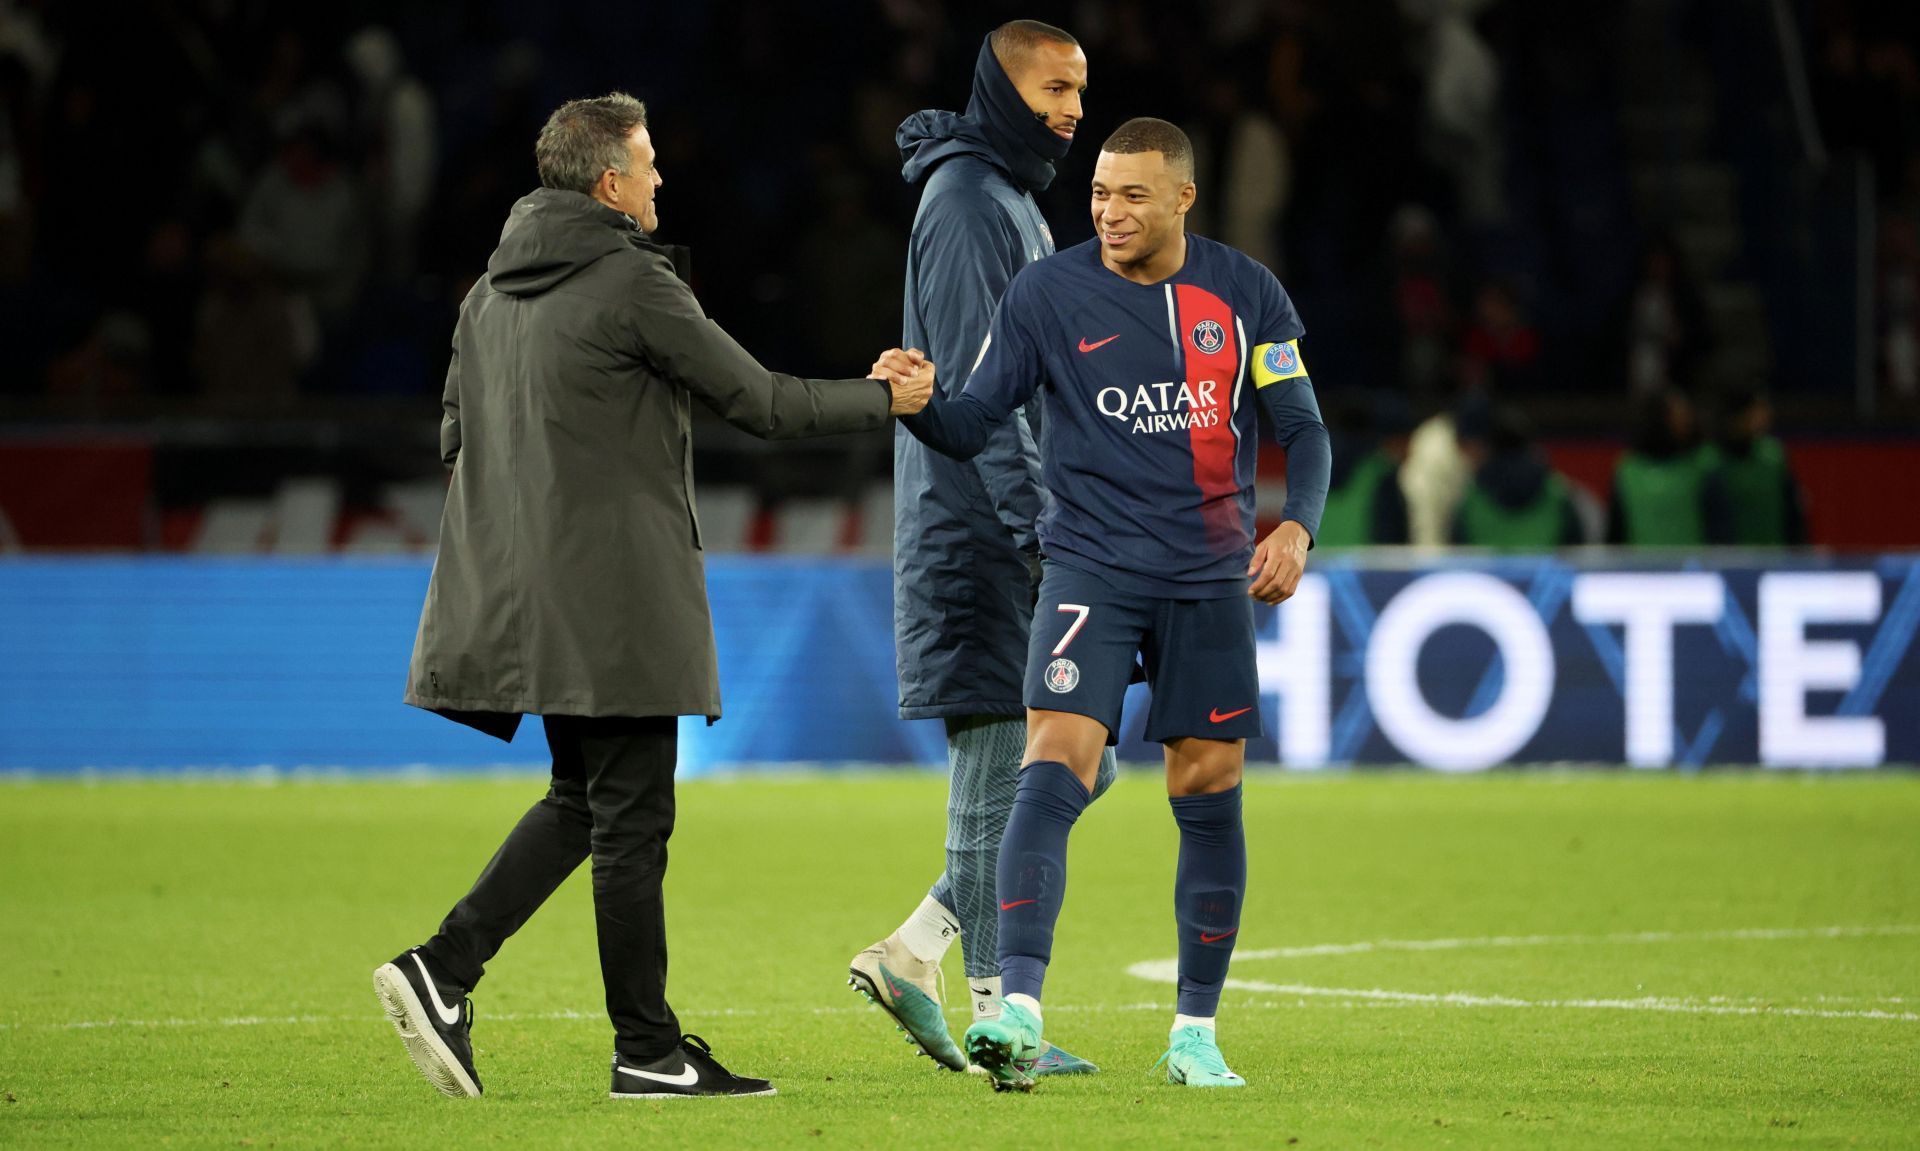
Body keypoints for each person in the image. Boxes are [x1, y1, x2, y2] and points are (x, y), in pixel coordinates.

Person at [371, 92, 933, 1102]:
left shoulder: (484, 298)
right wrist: (882, 397)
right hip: (619, 598)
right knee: (633, 819)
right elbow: (760, 401)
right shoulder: (630, 282)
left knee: (586, 799)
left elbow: (455, 443)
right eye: (651, 162)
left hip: (521, 597)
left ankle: (448, 967)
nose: (662, 179)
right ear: (609, 181)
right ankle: (644, 1047)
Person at [903, 118, 1331, 1091]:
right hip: (1089, 568)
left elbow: (1303, 430)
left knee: (1206, 787)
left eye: (1132, 194)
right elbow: (972, 421)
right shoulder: (1048, 293)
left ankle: (1194, 1034)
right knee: (1054, 761)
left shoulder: (1245, 292)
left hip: (1208, 575)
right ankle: (1017, 1005)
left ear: (1183, 196)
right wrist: (921, 400)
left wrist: (1296, 526)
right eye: (1099, 192)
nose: (1109, 210)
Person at [850, 20, 1111, 1078]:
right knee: (1011, 766)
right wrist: (1038, 526)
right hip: (983, 530)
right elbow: (974, 392)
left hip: (1019, 520)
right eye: (1054, 88)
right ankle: (1006, 1019)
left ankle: (916, 949)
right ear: (1002, 90)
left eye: (1081, 90)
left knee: (1069, 766)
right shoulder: (966, 204)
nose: (1073, 110)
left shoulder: (1003, 196)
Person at [1605, 388, 1731, 547]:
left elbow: (1720, 528)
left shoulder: (1704, 464)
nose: (1686, 420)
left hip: (1694, 569)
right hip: (1642, 569)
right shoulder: (1628, 469)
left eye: (1687, 413)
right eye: (1677, 415)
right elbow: (1615, 535)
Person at [1451, 405, 1585, 548]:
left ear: (1486, 446)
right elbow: (1577, 553)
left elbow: (1459, 555)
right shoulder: (1557, 492)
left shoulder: (1472, 499)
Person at [1704, 382, 1807, 545]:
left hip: (1775, 561)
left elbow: (1793, 514)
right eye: (1758, 409)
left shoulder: (1773, 455)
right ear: (1737, 415)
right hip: (1727, 563)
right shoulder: (1709, 462)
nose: (1766, 414)